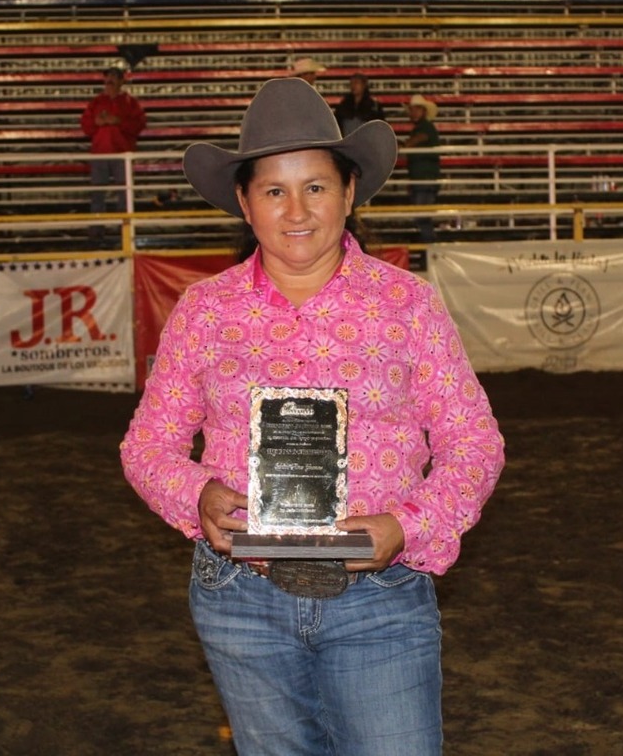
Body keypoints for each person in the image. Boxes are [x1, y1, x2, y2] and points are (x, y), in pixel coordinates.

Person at [120, 77, 505, 756]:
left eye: (316, 186)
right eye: (274, 190)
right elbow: (147, 444)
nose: (296, 210)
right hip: (241, 598)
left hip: (381, 597)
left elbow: (474, 443)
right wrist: (197, 496)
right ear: (245, 203)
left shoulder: (408, 305)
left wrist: (406, 526)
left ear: (349, 193)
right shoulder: (204, 312)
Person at [80, 66, 147, 216]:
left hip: (122, 154)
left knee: (124, 193)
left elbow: (139, 124)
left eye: (114, 77)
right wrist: (96, 122)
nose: (109, 80)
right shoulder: (96, 102)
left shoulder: (130, 103)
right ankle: (97, 227)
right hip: (100, 153)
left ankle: (124, 227)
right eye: (108, 77)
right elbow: (85, 125)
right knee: (97, 194)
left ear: (122, 81)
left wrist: (118, 121)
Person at [403, 93, 442, 243]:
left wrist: (406, 145)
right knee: (422, 215)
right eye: (412, 109)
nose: (413, 112)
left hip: (425, 178)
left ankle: (429, 243)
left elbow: (418, 139)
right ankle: (429, 243)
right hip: (422, 178)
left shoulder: (425, 127)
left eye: (416, 109)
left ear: (423, 111)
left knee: (421, 215)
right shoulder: (423, 127)